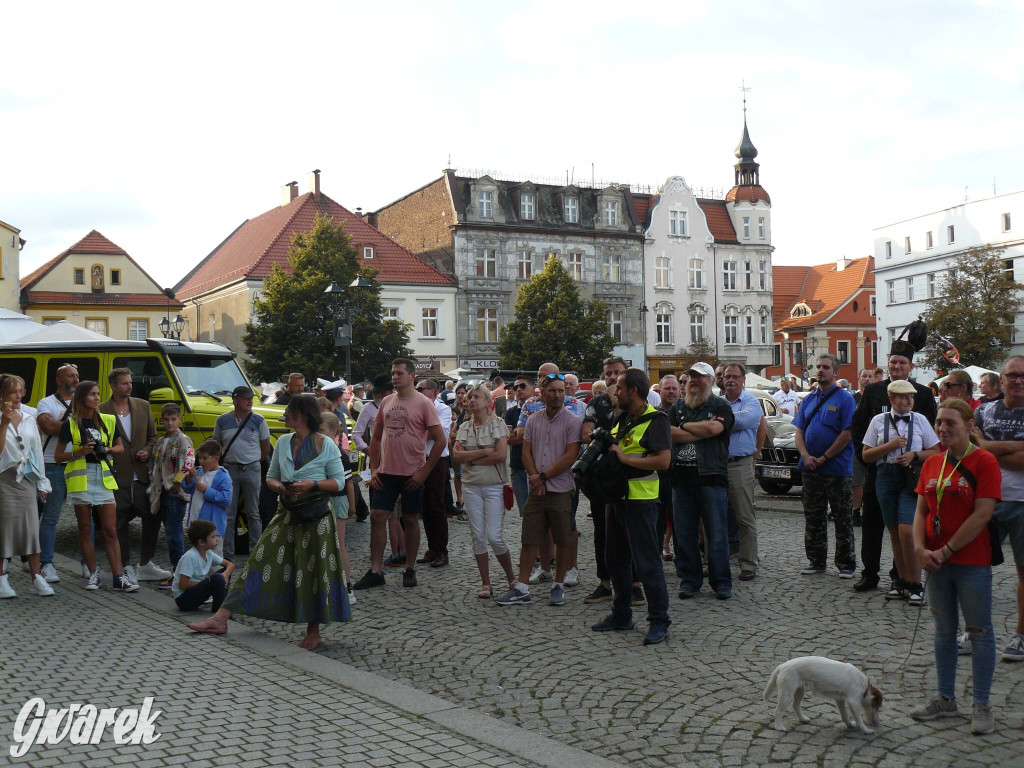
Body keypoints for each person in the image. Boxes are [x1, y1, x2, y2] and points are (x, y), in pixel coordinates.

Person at [188, 394, 350, 649]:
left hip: (316, 518)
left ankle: (314, 631)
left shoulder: (325, 444)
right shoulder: (284, 442)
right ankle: (221, 618)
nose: (284, 415)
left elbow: (339, 482)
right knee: (258, 561)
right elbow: (271, 477)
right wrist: (282, 488)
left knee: (315, 571)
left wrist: (312, 484)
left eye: (289, 412)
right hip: (286, 513)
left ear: (303, 415)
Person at [907, 398, 999, 734]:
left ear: (969, 426)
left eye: (950, 423)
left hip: (971, 560)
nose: (943, 429)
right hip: (935, 562)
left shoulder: (984, 461)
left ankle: (982, 704)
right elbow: (921, 511)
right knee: (943, 632)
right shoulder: (933, 463)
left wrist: (945, 550)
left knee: (979, 632)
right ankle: (946, 698)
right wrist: (919, 548)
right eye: (939, 423)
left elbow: (983, 514)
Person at [591, 369, 672, 645]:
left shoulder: (656, 420)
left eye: (620, 388)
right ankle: (621, 613)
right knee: (615, 561)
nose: (616, 393)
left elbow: (663, 462)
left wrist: (625, 459)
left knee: (647, 564)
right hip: (617, 500)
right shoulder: (623, 417)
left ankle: (659, 620)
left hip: (642, 501)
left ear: (634, 391)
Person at [851, 338, 937, 592]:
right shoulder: (875, 391)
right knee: (873, 522)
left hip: (910, 473)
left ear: (911, 366)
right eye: (893, 362)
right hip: (878, 469)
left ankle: (902, 576)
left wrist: (917, 457)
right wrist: (866, 459)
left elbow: (931, 432)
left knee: (905, 527)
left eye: (902, 363)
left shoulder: (922, 394)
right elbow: (858, 427)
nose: (897, 366)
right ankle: (870, 572)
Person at [355, 359, 446, 590]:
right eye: (392, 373)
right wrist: (374, 468)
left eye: (399, 373)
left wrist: (424, 472)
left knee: (411, 519)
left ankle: (410, 567)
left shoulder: (424, 403)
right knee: (377, 516)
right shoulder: (386, 401)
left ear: (412, 376)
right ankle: (376, 571)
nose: (394, 377)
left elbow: (440, 439)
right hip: (386, 472)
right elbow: (375, 438)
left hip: (412, 473)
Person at [496, 372, 581, 606]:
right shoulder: (533, 420)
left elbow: (571, 456)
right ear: (542, 393)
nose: (557, 395)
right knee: (529, 537)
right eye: (552, 391)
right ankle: (522, 587)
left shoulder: (573, 421)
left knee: (563, 538)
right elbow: (526, 452)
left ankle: (559, 584)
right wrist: (535, 478)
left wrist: (542, 477)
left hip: (561, 488)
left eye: (561, 391)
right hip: (537, 487)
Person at [862, 380, 940, 605]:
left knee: (908, 531)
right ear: (891, 399)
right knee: (894, 532)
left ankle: (916, 584)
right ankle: (902, 582)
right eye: (904, 397)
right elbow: (866, 455)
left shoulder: (921, 420)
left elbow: (935, 451)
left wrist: (914, 455)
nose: (908, 401)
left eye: (911, 397)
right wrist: (890, 445)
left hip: (909, 478)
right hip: (885, 477)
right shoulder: (878, 421)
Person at [54, 380, 137, 592]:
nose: (97, 398)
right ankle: (93, 573)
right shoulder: (70, 424)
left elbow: (120, 447)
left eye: (98, 394)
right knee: (84, 528)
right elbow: (58, 456)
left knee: (110, 529)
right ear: (81, 397)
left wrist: (107, 450)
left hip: (103, 477)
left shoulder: (108, 420)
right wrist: (79, 452)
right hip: (81, 478)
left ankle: (118, 576)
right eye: (92, 394)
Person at [971, 355, 1024, 661]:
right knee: (975, 570)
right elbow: (971, 448)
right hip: (986, 499)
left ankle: (1020, 636)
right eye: (1012, 375)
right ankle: (975, 631)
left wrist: (989, 448)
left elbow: (982, 451)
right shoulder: (985, 411)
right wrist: (1013, 447)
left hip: (1021, 501)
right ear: (1001, 379)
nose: (1018, 381)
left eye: (1023, 376)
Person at [669, 362, 734, 599]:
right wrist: (699, 430)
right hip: (681, 478)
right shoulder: (677, 406)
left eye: (701, 377)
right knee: (684, 533)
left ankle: (721, 582)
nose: (695, 381)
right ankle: (690, 580)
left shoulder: (721, 405)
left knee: (716, 533)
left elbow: (715, 429)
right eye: (692, 377)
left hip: (711, 477)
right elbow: (668, 432)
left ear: (711, 380)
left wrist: (684, 426)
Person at [794, 355, 859, 579]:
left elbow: (847, 433)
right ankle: (816, 560)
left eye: (826, 367)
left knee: (842, 517)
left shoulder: (845, 399)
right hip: (810, 467)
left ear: (836, 373)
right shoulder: (808, 399)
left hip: (836, 468)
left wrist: (824, 457)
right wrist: (805, 455)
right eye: (818, 367)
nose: (820, 370)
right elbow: (799, 431)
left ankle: (846, 564)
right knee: (813, 516)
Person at [99, 368, 164, 586]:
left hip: (142, 475)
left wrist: (147, 449)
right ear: (113, 386)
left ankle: (144, 563)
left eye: (130, 382)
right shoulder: (101, 410)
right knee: (118, 523)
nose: (130, 386)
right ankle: (125, 565)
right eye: (124, 383)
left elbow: (154, 437)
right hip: (116, 476)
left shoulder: (143, 406)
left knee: (153, 515)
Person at [453, 384, 516, 598]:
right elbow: (457, 457)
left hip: (494, 487)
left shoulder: (498, 424)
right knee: (478, 536)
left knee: (494, 536)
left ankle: (511, 578)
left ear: (488, 401)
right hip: (471, 487)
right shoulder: (464, 426)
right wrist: (484, 452)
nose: (471, 401)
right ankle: (486, 583)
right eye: (469, 398)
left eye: (476, 397)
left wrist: (473, 458)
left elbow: (500, 456)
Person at [0, 374, 54, 598]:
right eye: (14, 392)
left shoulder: (29, 419)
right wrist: (4, 422)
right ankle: (2, 578)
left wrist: (43, 481)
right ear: (2, 395)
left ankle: (36, 577)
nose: (19, 396)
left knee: (32, 530)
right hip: (4, 480)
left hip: (27, 481)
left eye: (21, 391)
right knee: (4, 531)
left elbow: (36, 453)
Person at [213, 386, 271, 561]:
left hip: (251, 468)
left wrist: (253, 462)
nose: (250, 401)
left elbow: (265, 448)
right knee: (229, 513)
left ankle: (256, 551)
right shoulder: (222, 421)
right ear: (236, 400)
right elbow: (217, 445)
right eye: (246, 398)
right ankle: (228, 552)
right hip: (230, 469)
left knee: (253, 512)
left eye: (251, 398)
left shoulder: (259, 420)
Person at [35, 362, 79, 584]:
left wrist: (61, 424)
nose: (75, 379)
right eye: (71, 376)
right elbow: (48, 428)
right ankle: (46, 564)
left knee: (85, 516)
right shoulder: (46, 402)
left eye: (77, 375)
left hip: (78, 465)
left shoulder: (84, 401)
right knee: (51, 517)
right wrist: (77, 425)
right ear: (59, 380)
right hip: (52, 464)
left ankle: (87, 565)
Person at [353, 374, 403, 558]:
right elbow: (357, 434)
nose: (392, 393)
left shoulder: (398, 404)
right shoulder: (369, 408)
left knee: (399, 512)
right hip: (379, 458)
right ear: (380, 393)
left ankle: (400, 551)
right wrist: (368, 450)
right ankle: (387, 552)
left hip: (398, 458)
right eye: (389, 390)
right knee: (382, 509)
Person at [149, 403, 195, 586]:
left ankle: (180, 574)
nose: (169, 423)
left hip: (174, 492)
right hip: (160, 492)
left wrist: (177, 484)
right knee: (170, 534)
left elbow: (188, 463)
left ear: (179, 420)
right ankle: (178, 572)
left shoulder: (183, 440)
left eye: (173, 419)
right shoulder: (160, 441)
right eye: (166, 419)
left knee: (174, 535)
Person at [722, 364, 761, 581]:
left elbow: (742, 421)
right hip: (717, 465)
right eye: (727, 376)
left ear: (743, 379)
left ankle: (748, 563)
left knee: (745, 517)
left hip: (740, 464)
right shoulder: (717, 401)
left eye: (735, 376)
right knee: (714, 516)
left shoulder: (751, 402)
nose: (730, 380)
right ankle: (715, 562)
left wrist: (718, 420)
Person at [319, 412, 356, 604]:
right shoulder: (319, 451)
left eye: (322, 431)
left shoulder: (339, 454)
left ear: (333, 431)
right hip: (324, 500)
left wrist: (352, 506)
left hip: (338, 500)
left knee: (339, 543)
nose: (319, 435)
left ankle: (347, 586)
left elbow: (349, 483)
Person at [414, 379, 451, 568]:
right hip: (418, 459)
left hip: (437, 460)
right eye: (416, 388)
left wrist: (416, 432)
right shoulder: (416, 407)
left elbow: (438, 435)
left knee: (436, 505)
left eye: (421, 388)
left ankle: (442, 550)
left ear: (433, 391)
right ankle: (432, 548)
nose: (417, 391)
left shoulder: (443, 409)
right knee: (425, 506)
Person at [172, 520, 236, 613]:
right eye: (213, 537)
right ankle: (218, 612)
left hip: (196, 593)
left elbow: (230, 565)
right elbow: (183, 585)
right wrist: (206, 583)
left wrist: (225, 575)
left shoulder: (208, 553)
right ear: (202, 542)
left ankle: (221, 607)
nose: (217, 539)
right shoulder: (191, 556)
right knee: (217, 579)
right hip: (184, 600)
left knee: (222, 575)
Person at [182, 439, 232, 556]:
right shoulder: (199, 472)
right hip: (196, 524)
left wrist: (207, 490)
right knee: (197, 558)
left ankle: (217, 574)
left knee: (214, 560)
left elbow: (226, 499)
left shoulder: (223, 476)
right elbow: (188, 489)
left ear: (216, 459)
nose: (201, 461)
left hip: (212, 528)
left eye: (205, 458)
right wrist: (189, 477)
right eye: (199, 458)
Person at [658, 376, 681, 561]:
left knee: (679, 521)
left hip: (680, 473)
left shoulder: (685, 413)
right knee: (656, 521)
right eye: (668, 388)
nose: (671, 391)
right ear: (660, 391)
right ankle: (653, 560)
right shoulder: (653, 414)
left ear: (680, 391)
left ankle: (683, 563)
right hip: (657, 475)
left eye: (674, 388)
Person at [504, 375, 533, 515]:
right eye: (515, 388)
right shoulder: (511, 412)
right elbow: (508, 439)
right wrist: (530, 434)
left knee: (537, 510)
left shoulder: (539, 409)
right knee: (525, 511)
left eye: (522, 386)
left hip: (535, 466)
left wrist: (520, 433)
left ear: (533, 388)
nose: (518, 390)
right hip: (517, 465)